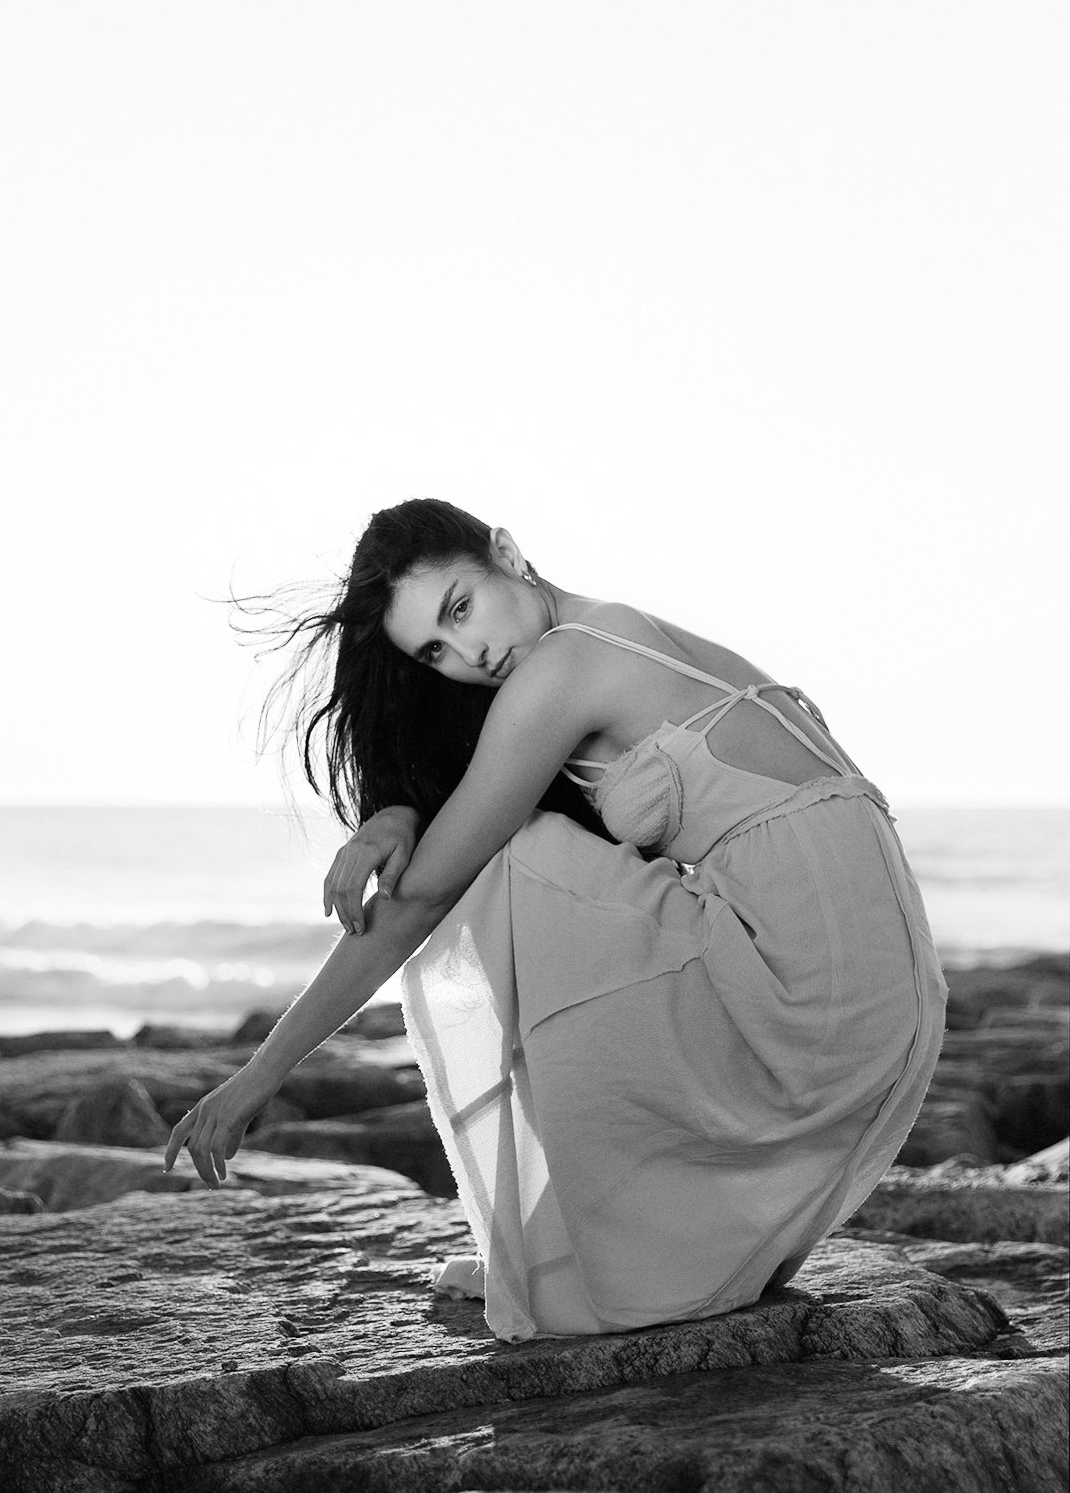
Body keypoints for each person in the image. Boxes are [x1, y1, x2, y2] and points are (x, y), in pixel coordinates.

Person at [163, 498, 946, 1342]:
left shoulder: (566, 666)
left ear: (506, 551)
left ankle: (560, 1246)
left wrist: (260, 1076)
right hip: (877, 989)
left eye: (460, 607)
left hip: (818, 987)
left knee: (509, 871)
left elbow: (426, 894)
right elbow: (496, 824)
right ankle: (571, 1239)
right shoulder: (608, 634)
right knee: (509, 861)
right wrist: (401, 819)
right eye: (435, 650)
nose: (469, 655)